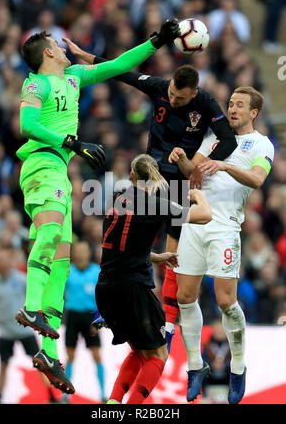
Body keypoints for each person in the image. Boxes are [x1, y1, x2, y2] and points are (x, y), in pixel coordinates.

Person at [14, 19, 181, 394]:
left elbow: (119, 66)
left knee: (60, 262)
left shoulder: (73, 79)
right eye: (56, 43)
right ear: (49, 53)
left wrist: (157, 41)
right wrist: (71, 142)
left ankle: (49, 352)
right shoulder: (36, 83)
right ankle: (31, 308)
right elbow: (26, 123)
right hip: (41, 164)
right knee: (53, 231)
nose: (62, 45)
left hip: (59, 171)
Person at [64, 38, 238, 350]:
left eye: (179, 98)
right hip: (150, 178)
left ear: (193, 94)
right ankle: (120, 311)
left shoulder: (207, 104)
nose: (172, 99)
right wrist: (84, 55)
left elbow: (228, 141)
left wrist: (199, 164)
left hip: (180, 182)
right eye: (171, 93)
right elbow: (120, 72)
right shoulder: (159, 86)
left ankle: (165, 319)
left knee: (171, 252)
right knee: (131, 244)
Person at [168, 86, 275, 404]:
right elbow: (194, 175)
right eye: (230, 104)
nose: (232, 109)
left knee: (226, 302)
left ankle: (238, 368)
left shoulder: (261, 144)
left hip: (225, 227)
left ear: (253, 112)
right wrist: (184, 160)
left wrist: (226, 165)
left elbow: (257, 179)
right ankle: (195, 367)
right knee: (184, 297)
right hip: (194, 221)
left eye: (240, 105)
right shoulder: (214, 137)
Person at [95, 153, 212, 404]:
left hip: (105, 287)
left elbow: (123, 247)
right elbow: (205, 215)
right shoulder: (155, 204)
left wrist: (157, 257)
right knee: (159, 353)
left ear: (131, 176)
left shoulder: (116, 199)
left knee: (139, 349)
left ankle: (114, 403)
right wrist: (197, 196)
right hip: (132, 290)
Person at [0, 247, 58, 404]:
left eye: (5, 259)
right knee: (3, 364)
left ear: (11, 261)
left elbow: (36, 297)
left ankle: (52, 396)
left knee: (40, 364)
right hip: (5, 332)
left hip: (24, 330)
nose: (2, 263)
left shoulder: (22, 279)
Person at [64, 241, 106, 403]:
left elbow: (102, 298)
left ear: (89, 253)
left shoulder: (96, 272)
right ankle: (66, 394)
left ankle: (102, 392)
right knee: (70, 355)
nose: (81, 255)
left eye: (84, 251)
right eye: (78, 252)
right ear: (74, 254)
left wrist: (98, 321)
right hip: (73, 316)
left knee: (97, 355)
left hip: (91, 317)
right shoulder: (68, 271)